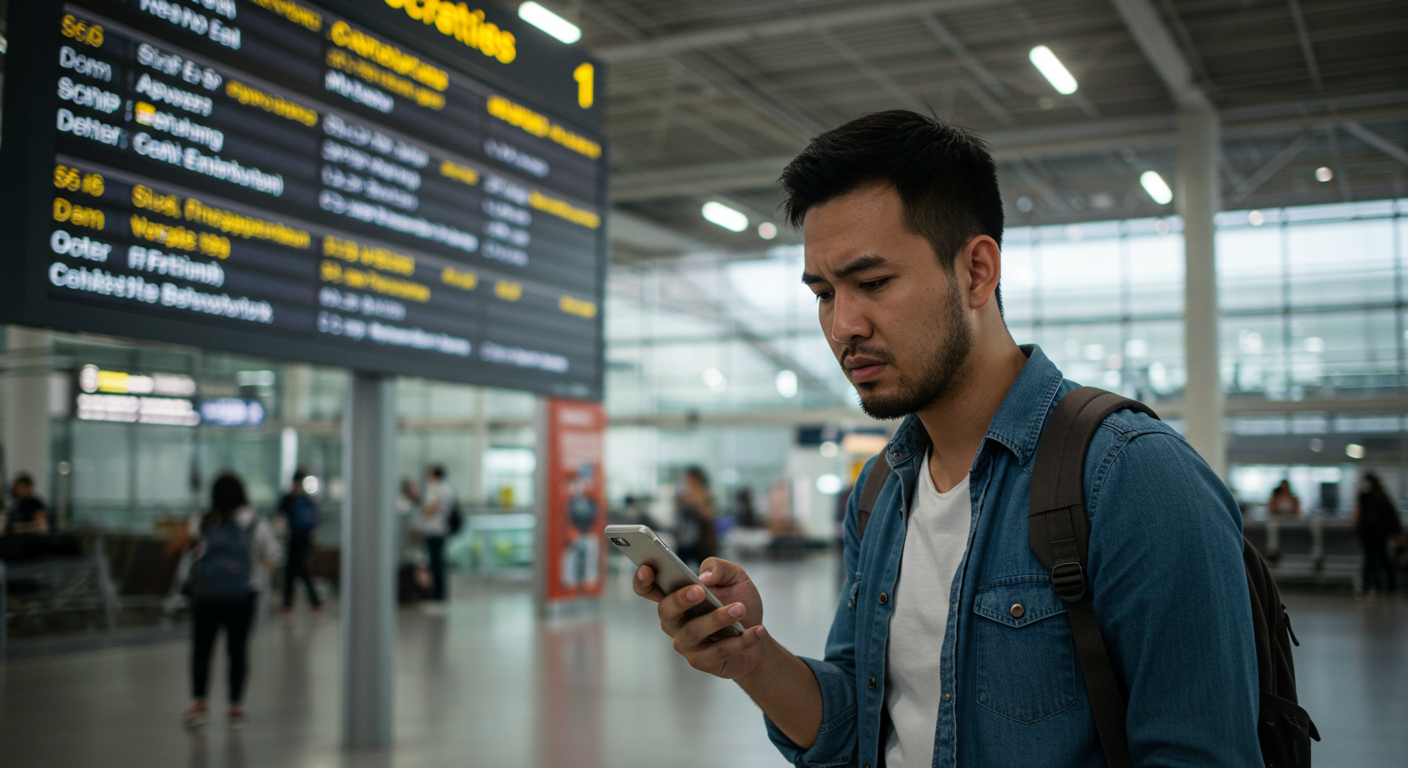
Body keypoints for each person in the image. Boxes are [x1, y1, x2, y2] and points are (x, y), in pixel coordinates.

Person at [631, 111, 1261, 767]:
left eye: (872, 283)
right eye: (823, 293)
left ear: (977, 271)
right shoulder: (880, 492)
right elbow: (858, 728)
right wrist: (750, 657)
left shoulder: (1133, 478)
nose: (843, 324)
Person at [184, 473, 280, 729]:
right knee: (237, 651)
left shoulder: (201, 521)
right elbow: (270, 559)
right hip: (243, 594)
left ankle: (200, 705)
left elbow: (192, 553)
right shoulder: (255, 522)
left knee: (202, 650)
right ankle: (235, 709)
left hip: (206, 595)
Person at [276, 468, 322, 613]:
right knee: (296, 569)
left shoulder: (293, 499)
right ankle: (310, 603)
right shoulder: (302, 499)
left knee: (296, 569)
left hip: (298, 539)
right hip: (298, 538)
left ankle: (291, 604)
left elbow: (279, 517)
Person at [1353, 472, 1403, 598]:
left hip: (1374, 535)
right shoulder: (1379, 497)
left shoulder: (1371, 498)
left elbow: (1359, 518)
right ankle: (1384, 588)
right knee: (1379, 560)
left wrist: (1356, 533)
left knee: (1375, 561)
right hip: (1375, 534)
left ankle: (1374, 588)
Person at [417, 465, 455, 606]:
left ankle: (438, 595)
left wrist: (423, 511)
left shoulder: (438, 488)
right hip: (438, 529)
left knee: (436, 563)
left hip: (435, 530)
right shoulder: (445, 488)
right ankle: (439, 594)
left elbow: (432, 507)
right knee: (437, 562)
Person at [673, 467, 717, 569]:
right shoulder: (682, 496)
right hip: (684, 540)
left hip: (701, 543)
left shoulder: (705, 495)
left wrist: (697, 501)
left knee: (705, 571)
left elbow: (709, 515)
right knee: (681, 569)